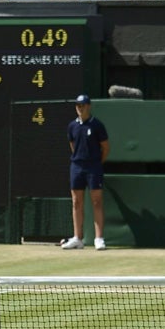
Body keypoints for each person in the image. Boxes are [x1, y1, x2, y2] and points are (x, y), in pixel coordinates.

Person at [61, 94, 108, 252]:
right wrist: (79, 160)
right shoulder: (72, 126)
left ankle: (99, 238)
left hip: (93, 166)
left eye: (82, 105)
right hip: (77, 166)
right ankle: (77, 238)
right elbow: (72, 145)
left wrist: (96, 162)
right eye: (78, 106)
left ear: (89, 106)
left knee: (96, 201)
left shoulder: (97, 125)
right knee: (76, 201)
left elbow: (105, 148)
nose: (80, 108)